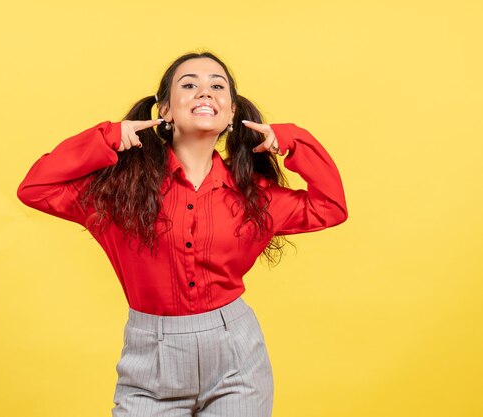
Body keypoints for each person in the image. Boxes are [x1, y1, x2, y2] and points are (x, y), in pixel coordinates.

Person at [17, 51, 348, 417]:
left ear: (232, 112)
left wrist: (293, 141)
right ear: (165, 111)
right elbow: (35, 187)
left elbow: (330, 207)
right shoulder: (118, 193)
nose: (205, 93)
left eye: (217, 86)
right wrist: (106, 137)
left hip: (237, 362)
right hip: (149, 365)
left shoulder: (255, 196)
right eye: (189, 85)